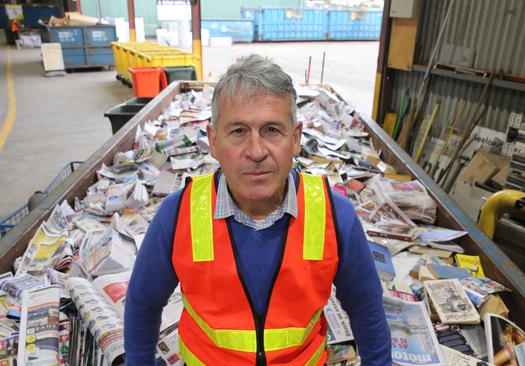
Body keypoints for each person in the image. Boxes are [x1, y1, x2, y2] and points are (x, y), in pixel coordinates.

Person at [124, 55, 392, 365]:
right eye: (238, 131)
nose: (256, 151)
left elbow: (366, 309)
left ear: (295, 139)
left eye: (272, 130)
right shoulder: (178, 215)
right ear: (213, 141)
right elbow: (143, 305)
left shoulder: (336, 217)